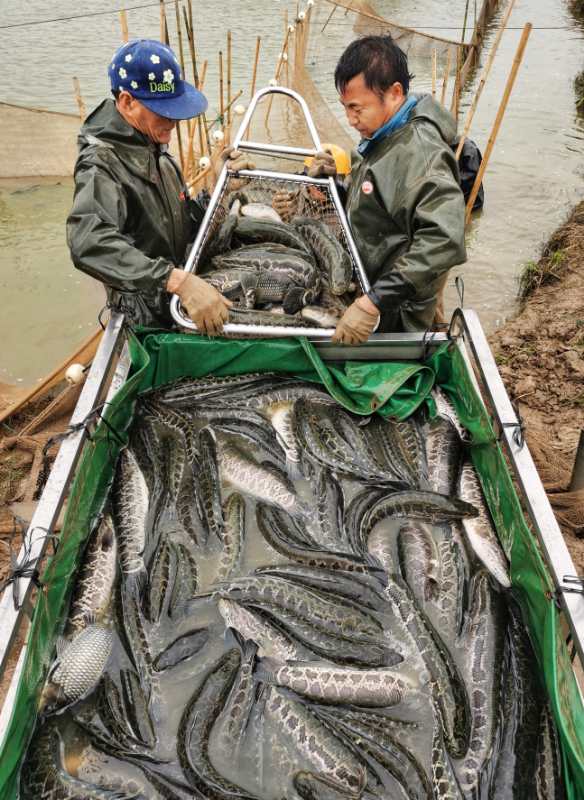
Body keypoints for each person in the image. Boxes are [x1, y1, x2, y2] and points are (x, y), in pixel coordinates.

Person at [274, 35, 467, 345]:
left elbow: (443, 239)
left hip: (397, 313)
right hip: (371, 286)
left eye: (356, 108)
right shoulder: (386, 135)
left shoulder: (421, 152)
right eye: (345, 108)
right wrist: (340, 183)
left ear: (393, 94)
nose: (350, 120)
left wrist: (373, 302)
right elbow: (384, 198)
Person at [67, 39, 232, 336]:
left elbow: (182, 222)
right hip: (145, 316)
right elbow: (88, 242)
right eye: (163, 111)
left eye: (175, 111)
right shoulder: (101, 165)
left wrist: (221, 185)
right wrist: (175, 280)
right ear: (128, 102)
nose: (173, 122)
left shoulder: (156, 149)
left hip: (177, 299)